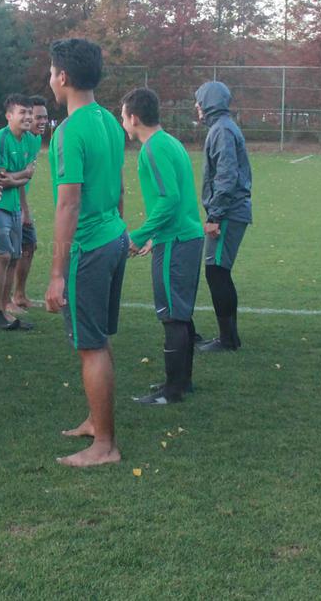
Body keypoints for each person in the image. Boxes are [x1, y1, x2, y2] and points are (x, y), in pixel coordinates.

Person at [43, 38, 127, 468]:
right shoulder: (111, 121)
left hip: (90, 248)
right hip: (113, 236)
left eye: (52, 71)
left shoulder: (69, 131)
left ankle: (105, 446)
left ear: (64, 77)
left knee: (90, 345)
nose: (50, 79)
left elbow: (68, 202)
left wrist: (57, 273)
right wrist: (122, 231)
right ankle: (97, 423)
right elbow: (119, 185)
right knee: (98, 339)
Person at [120, 88, 203, 405]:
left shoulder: (153, 149)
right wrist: (155, 236)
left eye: (123, 116)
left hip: (177, 242)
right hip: (184, 237)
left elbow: (170, 199)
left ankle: (173, 391)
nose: (122, 122)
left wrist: (141, 235)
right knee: (180, 313)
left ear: (134, 118)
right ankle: (182, 382)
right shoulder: (170, 142)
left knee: (172, 315)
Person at [195, 81, 252, 353]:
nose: (196, 106)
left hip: (228, 212)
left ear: (208, 103)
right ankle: (228, 336)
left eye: (199, 100)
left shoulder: (222, 130)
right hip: (229, 210)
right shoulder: (222, 128)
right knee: (218, 271)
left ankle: (228, 339)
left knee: (217, 272)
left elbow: (227, 175)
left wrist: (215, 214)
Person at [0, 94, 35, 331]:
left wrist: (16, 177)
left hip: (12, 206)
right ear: (9, 115)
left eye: (29, 113)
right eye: (22, 112)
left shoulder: (28, 140)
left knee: (14, 257)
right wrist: (22, 174)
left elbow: (23, 175)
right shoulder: (0, 139)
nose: (28, 117)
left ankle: (5, 309)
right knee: (3, 256)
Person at [11, 94, 48, 311]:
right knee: (8, 254)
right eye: (37, 117)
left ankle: (19, 295)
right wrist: (25, 211)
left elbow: (25, 178)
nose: (42, 122)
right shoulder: (16, 138)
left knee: (28, 246)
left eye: (45, 117)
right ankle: (5, 301)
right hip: (4, 203)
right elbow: (16, 178)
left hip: (18, 202)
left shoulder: (33, 140)